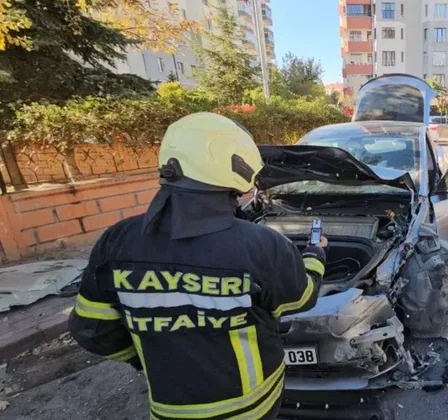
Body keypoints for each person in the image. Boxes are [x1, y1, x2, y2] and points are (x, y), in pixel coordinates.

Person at [68, 112, 328, 420]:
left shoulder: (117, 242)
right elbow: (301, 297)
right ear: (234, 161)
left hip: (169, 410)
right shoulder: (261, 245)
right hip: (251, 408)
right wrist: (315, 255)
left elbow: (91, 330)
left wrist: (150, 358)